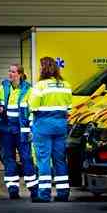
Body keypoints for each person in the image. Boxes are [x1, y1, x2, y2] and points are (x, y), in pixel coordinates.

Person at [0, 64, 38, 200]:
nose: (10, 74)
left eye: (13, 72)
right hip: (6, 130)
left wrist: (31, 130)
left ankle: (33, 190)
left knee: (27, 159)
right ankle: (12, 190)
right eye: (9, 71)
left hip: (21, 131)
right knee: (9, 159)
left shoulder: (28, 90)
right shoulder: (4, 87)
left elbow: (32, 112)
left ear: (20, 74)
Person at [30, 56, 72, 202]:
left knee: (43, 159)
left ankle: (44, 194)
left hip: (43, 125)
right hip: (60, 125)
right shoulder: (66, 85)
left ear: (43, 69)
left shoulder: (40, 86)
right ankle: (63, 193)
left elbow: (33, 107)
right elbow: (69, 107)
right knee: (60, 159)